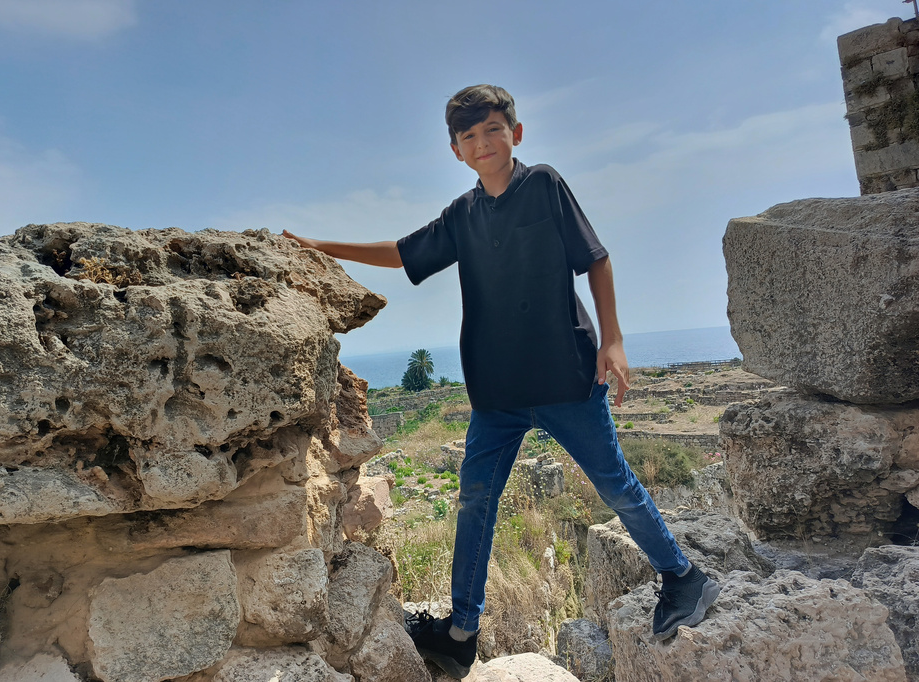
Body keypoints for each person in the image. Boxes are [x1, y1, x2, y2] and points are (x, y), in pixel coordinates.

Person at [283, 84, 719, 679]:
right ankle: (462, 631)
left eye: (492, 129)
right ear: (457, 152)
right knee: (475, 502)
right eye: (469, 136)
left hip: (567, 377)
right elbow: (403, 251)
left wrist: (613, 340)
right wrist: (318, 246)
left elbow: (596, 259)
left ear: (515, 133)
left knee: (614, 486)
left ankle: (685, 578)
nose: (482, 143)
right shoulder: (462, 215)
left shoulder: (543, 185)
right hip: (496, 393)